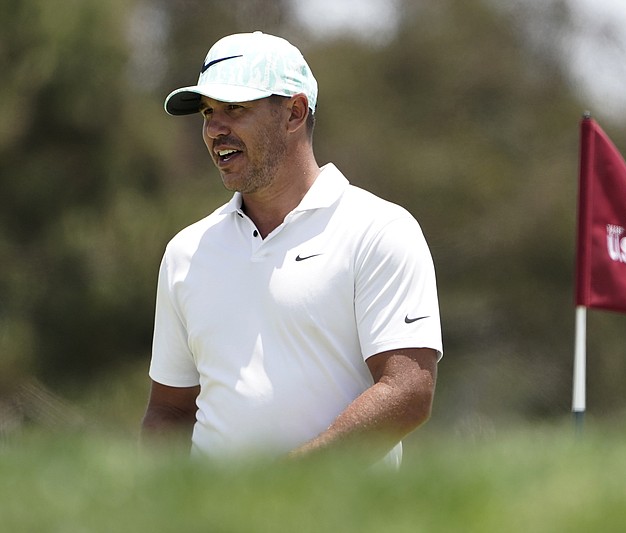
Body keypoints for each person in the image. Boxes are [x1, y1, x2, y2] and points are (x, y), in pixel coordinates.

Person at [140, 32, 442, 467]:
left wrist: (281, 488)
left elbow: (408, 392)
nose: (213, 129)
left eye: (234, 109)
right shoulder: (186, 252)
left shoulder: (379, 230)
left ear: (294, 113)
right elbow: (169, 410)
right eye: (208, 112)